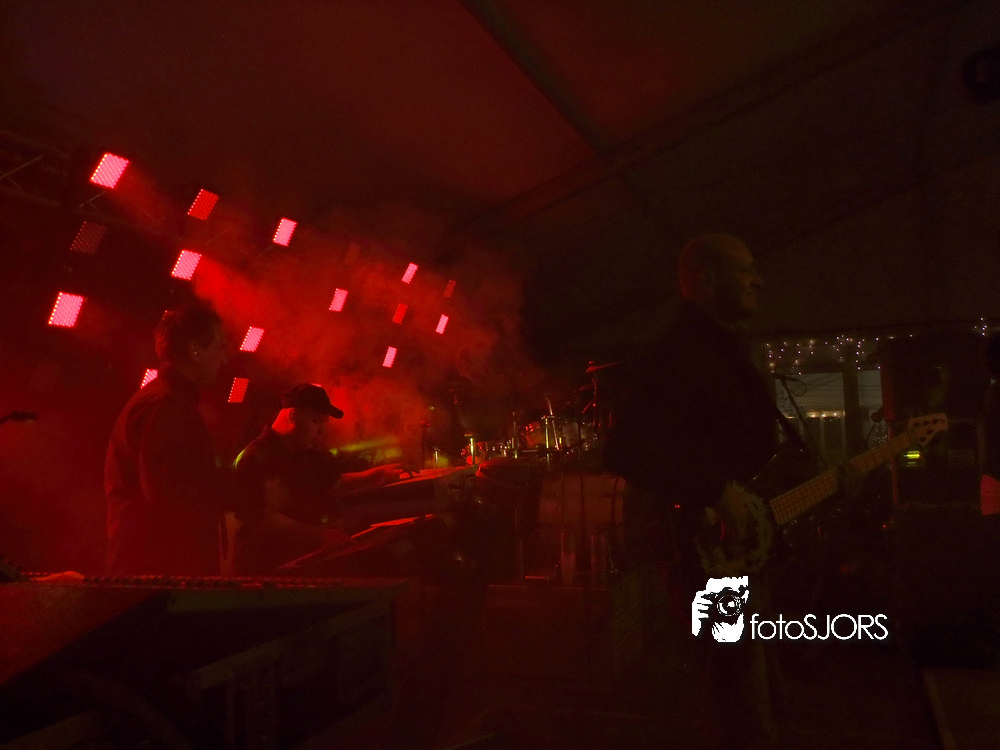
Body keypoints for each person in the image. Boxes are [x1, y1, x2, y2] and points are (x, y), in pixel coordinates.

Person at [603, 233, 781, 749]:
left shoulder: (721, 351)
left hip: (735, 549)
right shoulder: (679, 354)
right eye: (745, 270)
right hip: (706, 553)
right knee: (741, 700)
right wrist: (714, 492)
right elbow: (624, 452)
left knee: (747, 690)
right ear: (707, 279)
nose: (758, 281)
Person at [229, 383, 414, 575]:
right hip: (264, 570)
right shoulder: (255, 459)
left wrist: (376, 474)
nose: (321, 432)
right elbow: (263, 519)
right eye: (315, 421)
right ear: (293, 416)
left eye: (323, 424)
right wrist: (319, 534)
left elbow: (335, 483)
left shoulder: (308, 453)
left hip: (300, 562)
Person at [105, 302, 229, 577]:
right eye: (220, 347)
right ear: (195, 350)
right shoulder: (165, 406)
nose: (224, 359)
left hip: (155, 575)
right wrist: (237, 493)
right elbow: (171, 496)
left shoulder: (167, 402)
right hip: (157, 578)